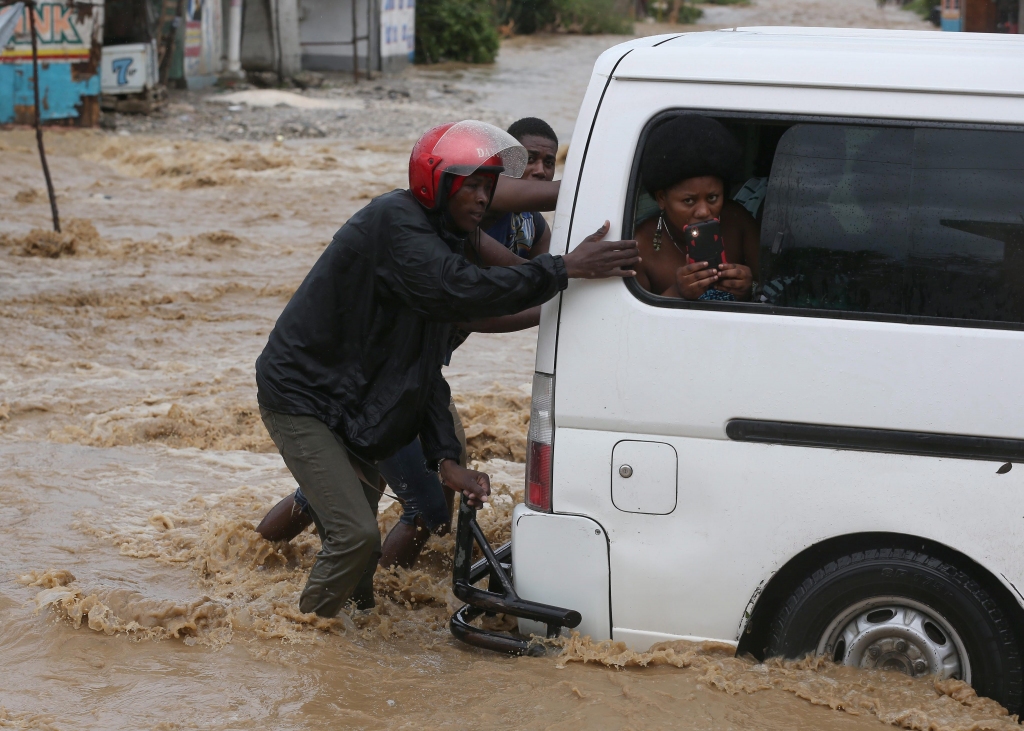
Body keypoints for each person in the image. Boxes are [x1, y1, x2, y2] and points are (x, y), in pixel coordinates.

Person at [254, 120, 640, 617]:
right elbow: (463, 291)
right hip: (303, 397)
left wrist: (444, 458)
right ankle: (303, 644)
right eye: (472, 186)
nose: (482, 198)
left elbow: (424, 365)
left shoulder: (452, 236)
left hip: (362, 400)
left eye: (489, 187)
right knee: (355, 535)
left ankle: (348, 653)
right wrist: (564, 268)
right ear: (434, 183)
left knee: (360, 547)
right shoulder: (397, 223)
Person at [633, 115, 760, 301]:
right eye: (689, 201)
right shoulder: (641, 248)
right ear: (661, 198)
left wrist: (750, 289)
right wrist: (677, 293)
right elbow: (631, 322)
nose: (704, 211)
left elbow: (773, 293)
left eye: (712, 198)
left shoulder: (738, 221)